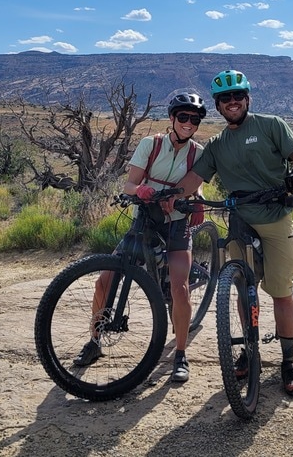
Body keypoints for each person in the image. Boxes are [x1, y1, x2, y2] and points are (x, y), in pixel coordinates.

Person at [169, 69, 293, 397]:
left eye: (237, 96)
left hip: (275, 216)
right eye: (225, 98)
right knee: (244, 289)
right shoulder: (217, 145)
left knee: (281, 291)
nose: (232, 102)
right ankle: (250, 349)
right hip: (239, 221)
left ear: (247, 99)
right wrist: (171, 196)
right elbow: (195, 178)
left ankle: (288, 362)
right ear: (218, 105)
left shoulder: (271, 125)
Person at [72, 90, 208, 383]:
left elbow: (196, 183)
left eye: (195, 119)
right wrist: (142, 190)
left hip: (176, 223)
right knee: (104, 281)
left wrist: (198, 200)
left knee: (180, 288)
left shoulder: (198, 152)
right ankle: (94, 340)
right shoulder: (152, 145)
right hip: (145, 220)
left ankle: (180, 354)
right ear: (172, 118)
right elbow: (129, 186)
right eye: (183, 116)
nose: (189, 122)